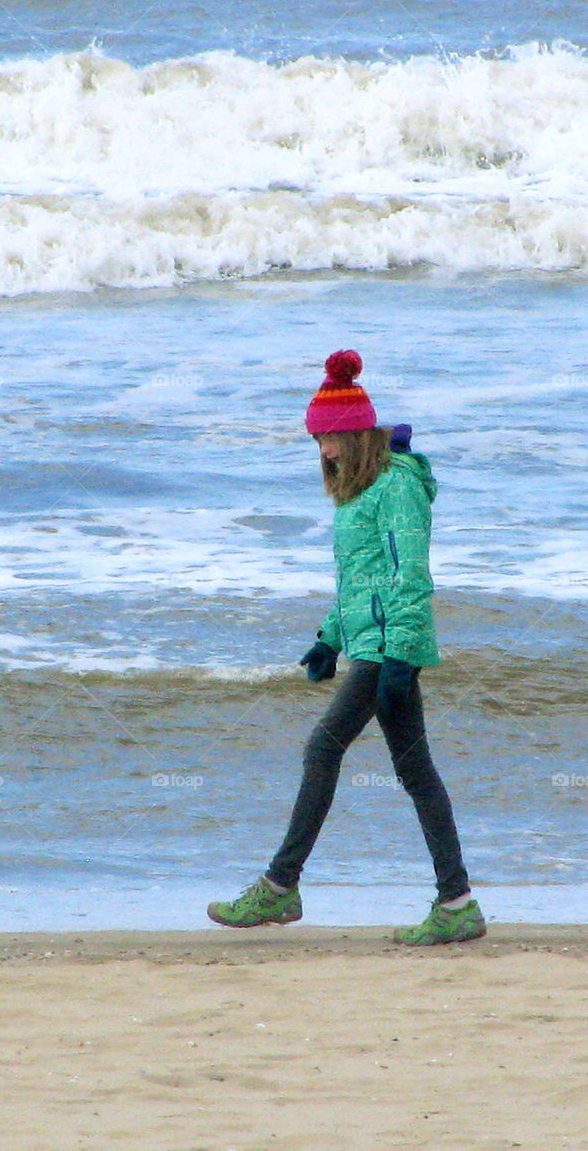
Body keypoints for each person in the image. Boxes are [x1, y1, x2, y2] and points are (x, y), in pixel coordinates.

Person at [207, 349, 485, 945]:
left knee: (321, 749)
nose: (324, 453)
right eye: (317, 443)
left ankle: (279, 888)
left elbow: (408, 578)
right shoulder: (361, 492)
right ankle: (457, 903)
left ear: (358, 436)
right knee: (417, 773)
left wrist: (401, 656)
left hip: (389, 650)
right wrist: (329, 639)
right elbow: (361, 579)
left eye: (331, 440)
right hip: (371, 644)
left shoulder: (397, 489)